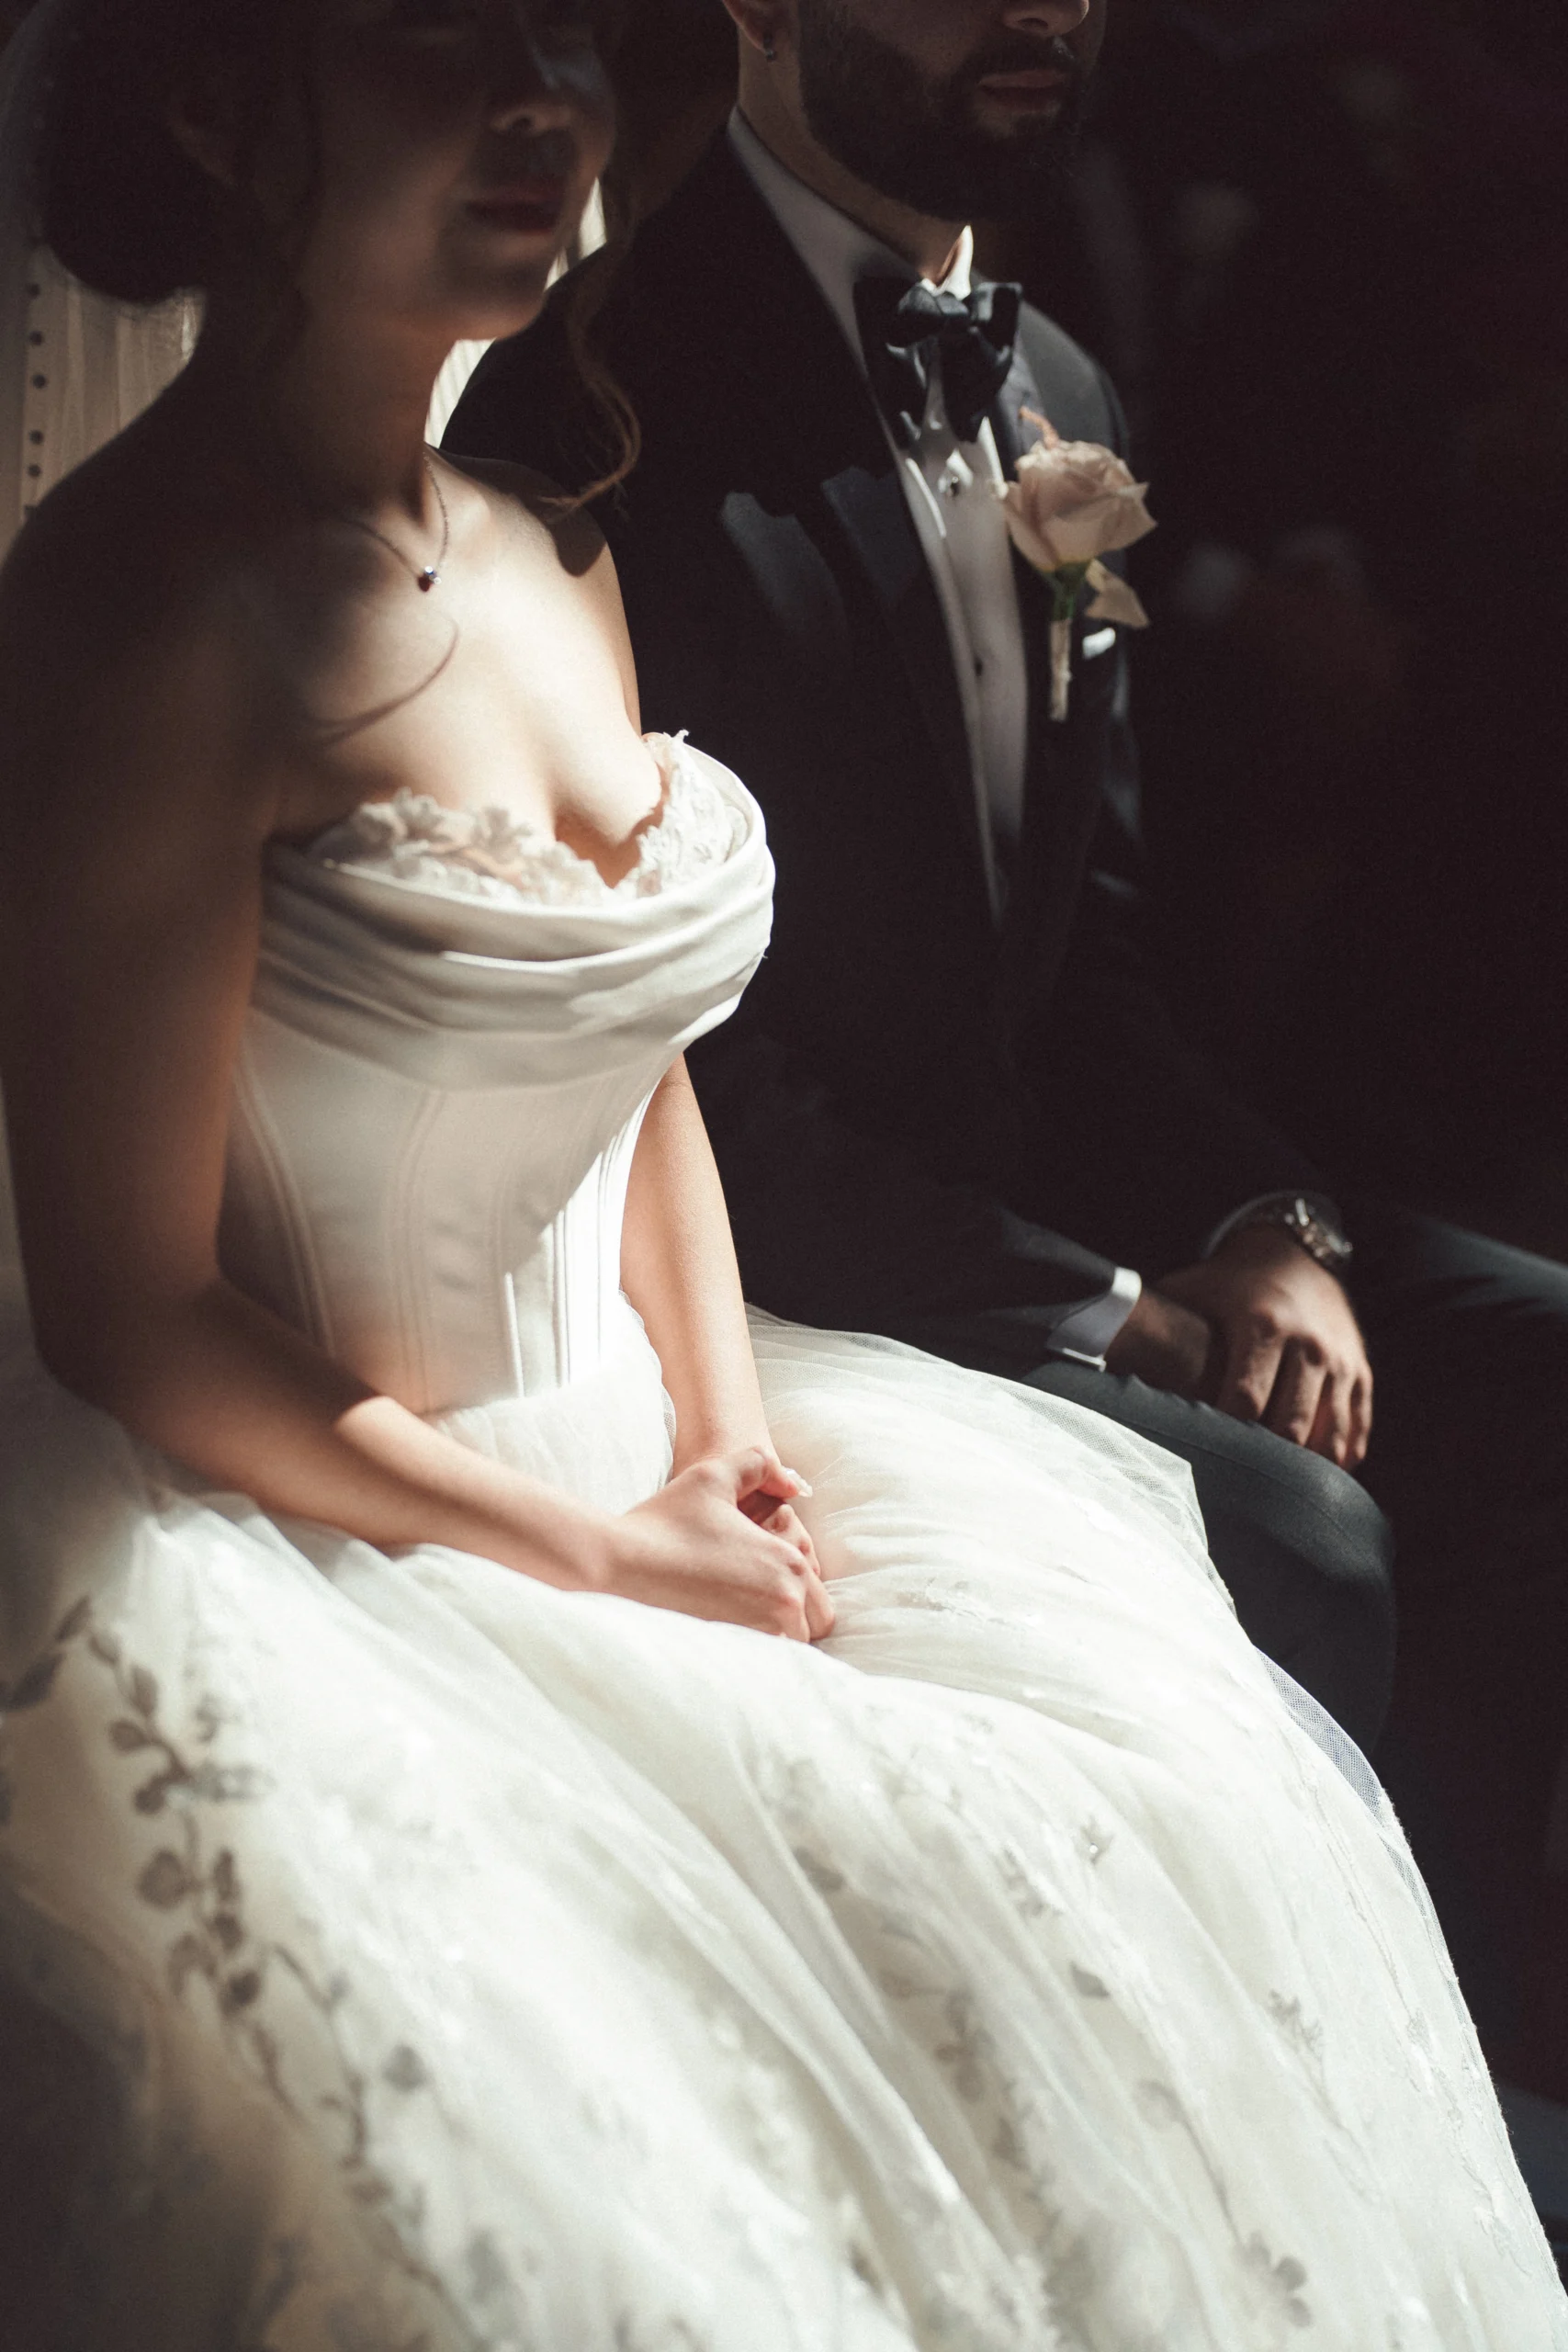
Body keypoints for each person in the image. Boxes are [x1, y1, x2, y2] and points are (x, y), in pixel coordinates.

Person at [0, 0, 1562, 2341]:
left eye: (570, 31)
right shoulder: (143, 603)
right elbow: (131, 1312)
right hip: (346, 1503)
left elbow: (644, 1075)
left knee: (1157, 1824)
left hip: (680, 1420)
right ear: (222, 99)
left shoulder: (552, 542)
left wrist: (727, 1443)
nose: (541, 98)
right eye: (442, 28)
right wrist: (598, 1545)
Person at [445, 0, 1568, 2064]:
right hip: (756, 1252)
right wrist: (1105, 1307)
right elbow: (647, 1046)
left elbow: (1087, 959)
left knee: (1530, 1357)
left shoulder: (1055, 386)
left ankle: (1475, 2072)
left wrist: (1260, 1222)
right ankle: (1288, 2064)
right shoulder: (591, 387)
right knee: (1295, 1529)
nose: (1043, 9)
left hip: (1031, 1188)